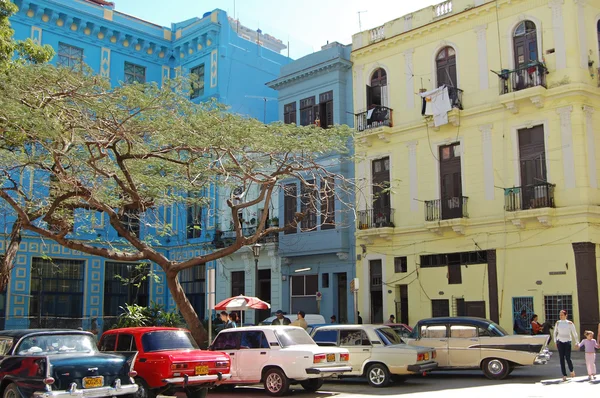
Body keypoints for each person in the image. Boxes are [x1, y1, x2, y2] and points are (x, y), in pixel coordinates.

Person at [554, 309, 579, 381]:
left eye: (562, 315)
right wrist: (555, 341)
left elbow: (574, 333)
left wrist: (577, 342)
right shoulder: (558, 323)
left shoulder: (570, 323)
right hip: (560, 342)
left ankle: (571, 370)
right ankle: (564, 374)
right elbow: (555, 332)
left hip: (567, 341)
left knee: (568, 357)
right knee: (561, 358)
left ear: (566, 315)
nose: (560, 316)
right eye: (560, 315)